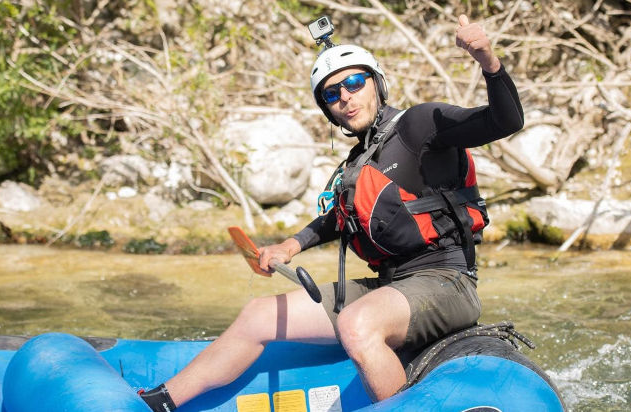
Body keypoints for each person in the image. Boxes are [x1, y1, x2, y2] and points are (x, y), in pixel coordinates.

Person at [138, 14, 523, 411]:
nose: (346, 97)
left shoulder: (419, 126)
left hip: (447, 282)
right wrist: (289, 246)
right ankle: (160, 402)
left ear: (376, 83)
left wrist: (487, 62)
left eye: (354, 83)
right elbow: (336, 220)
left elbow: (506, 120)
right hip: (391, 286)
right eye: (332, 94)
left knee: (356, 324)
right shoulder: (359, 162)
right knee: (258, 314)